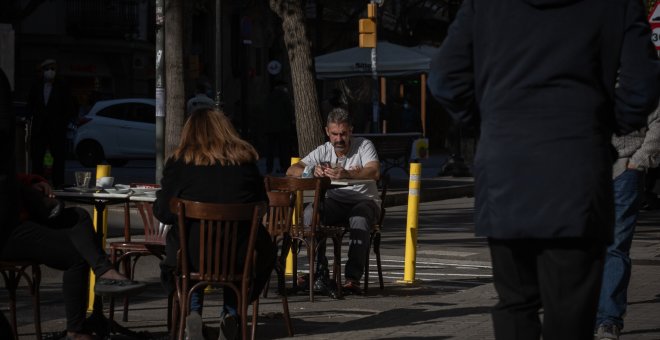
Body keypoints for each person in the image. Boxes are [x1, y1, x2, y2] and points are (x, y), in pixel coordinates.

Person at [427, 1, 660, 339]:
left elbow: (444, 79)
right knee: (570, 308)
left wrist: (489, 124)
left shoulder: (485, 6)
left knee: (515, 302)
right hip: (577, 166)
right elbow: (643, 83)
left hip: (507, 168)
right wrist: (604, 126)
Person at [0, 68, 144, 340]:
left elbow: (8, 176)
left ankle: (104, 272)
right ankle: (77, 330)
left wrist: (31, 181)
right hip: (7, 227)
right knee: (77, 254)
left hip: (17, 210)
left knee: (77, 216)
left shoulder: (57, 91)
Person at [153, 108, 276, 340]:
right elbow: (263, 207)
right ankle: (231, 314)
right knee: (260, 252)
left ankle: (193, 312)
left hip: (192, 255)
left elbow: (164, 213)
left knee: (179, 255)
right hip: (239, 255)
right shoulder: (245, 163)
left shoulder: (180, 162)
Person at [286, 107, 380, 295]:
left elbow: (374, 171)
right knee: (309, 214)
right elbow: (291, 170)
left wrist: (349, 173)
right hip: (335, 202)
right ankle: (319, 271)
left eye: (343, 134)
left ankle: (352, 278)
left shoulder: (364, 145)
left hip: (363, 200)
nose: (339, 139)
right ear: (327, 132)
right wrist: (311, 171)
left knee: (359, 219)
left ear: (351, 131)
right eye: (335, 134)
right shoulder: (323, 150)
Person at [595, 107, 660, 339]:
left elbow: (658, 119)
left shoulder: (641, 74)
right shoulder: (579, 72)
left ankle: (608, 319)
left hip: (624, 169)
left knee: (615, 246)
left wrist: (640, 160)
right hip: (581, 172)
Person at [27, 59, 77, 188]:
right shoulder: (36, 85)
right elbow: (31, 105)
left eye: (53, 69)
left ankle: (58, 182)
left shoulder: (62, 86)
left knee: (58, 157)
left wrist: (63, 122)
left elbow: (69, 106)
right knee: (38, 157)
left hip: (57, 128)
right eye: (48, 69)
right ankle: (37, 182)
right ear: (43, 71)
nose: (50, 72)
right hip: (40, 128)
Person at [263, 81, 295, 174]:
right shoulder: (284, 96)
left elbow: (265, 111)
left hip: (270, 128)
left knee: (270, 150)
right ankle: (284, 167)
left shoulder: (269, 96)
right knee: (283, 149)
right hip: (283, 127)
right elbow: (289, 110)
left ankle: (269, 168)